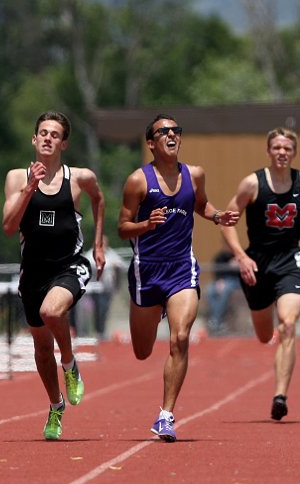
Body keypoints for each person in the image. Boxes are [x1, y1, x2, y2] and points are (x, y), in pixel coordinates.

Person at [117, 114, 239, 442]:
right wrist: (146, 225)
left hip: (182, 269)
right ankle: (155, 309)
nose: (171, 135)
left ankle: (165, 415)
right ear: (151, 142)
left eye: (176, 131)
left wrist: (216, 216)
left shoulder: (194, 175)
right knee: (142, 350)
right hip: (147, 271)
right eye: (163, 131)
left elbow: (199, 203)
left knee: (180, 337)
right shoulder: (138, 181)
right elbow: (122, 226)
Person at [220, 127, 300, 421]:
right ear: (268, 151)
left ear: (294, 152)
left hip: (290, 260)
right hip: (258, 263)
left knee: (287, 325)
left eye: (287, 148)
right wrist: (241, 256)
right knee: (264, 335)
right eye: (276, 148)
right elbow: (227, 220)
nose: (282, 153)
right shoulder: (252, 183)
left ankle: (280, 396)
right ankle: (263, 318)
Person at [2, 111, 105, 441]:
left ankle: (70, 363)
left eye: (54, 134)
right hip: (32, 274)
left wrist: (99, 242)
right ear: (34, 140)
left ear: (64, 143)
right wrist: (30, 188)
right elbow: (7, 226)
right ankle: (55, 405)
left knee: (52, 311)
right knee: (41, 349)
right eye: (43, 133)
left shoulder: (79, 178)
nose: (48, 138)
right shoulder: (17, 178)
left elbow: (99, 199)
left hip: (69, 266)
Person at [86, 236, 127, 340]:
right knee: (99, 309)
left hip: (108, 288)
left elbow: (123, 265)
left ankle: (101, 331)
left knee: (104, 310)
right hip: (95, 288)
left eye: (104, 243)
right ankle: (97, 331)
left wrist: (116, 266)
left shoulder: (111, 254)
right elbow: (89, 266)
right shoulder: (90, 254)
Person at [206, 245, 241, 335]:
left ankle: (215, 320)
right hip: (221, 280)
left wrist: (238, 264)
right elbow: (217, 271)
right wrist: (219, 281)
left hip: (234, 281)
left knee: (225, 290)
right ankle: (217, 321)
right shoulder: (220, 257)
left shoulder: (240, 256)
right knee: (210, 290)